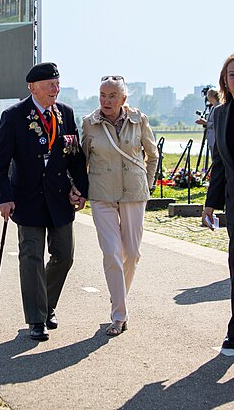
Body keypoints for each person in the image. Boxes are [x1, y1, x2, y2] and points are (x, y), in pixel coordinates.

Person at [0, 62, 88, 341]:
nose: (55, 89)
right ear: (32, 87)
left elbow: (76, 156)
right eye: (49, 85)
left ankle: (48, 305)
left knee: (64, 255)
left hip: (59, 199)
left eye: (57, 84)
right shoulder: (15, 115)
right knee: (31, 257)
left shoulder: (65, 113)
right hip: (27, 199)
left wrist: (80, 189)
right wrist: (4, 197)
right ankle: (36, 319)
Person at [82, 75, 158, 336]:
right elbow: (82, 161)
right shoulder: (89, 124)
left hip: (134, 193)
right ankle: (119, 315)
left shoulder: (140, 120)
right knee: (112, 252)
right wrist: (78, 190)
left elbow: (152, 155)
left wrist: (147, 184)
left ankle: (117, 296)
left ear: (124, 99)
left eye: (113, 95)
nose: (106, 100)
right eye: (103, 95)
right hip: (102, 195)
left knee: (133, 253)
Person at [203, 53, 234, 350]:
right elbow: (220, 164)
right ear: (224, 81)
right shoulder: (221, 114)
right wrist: (209, 205)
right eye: (232, 74)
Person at [195, 87, 221, 156]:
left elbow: (218, 124)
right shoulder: (213, 107)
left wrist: (205, 123)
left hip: (216, 139)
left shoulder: (219, 107)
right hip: (211, 138)